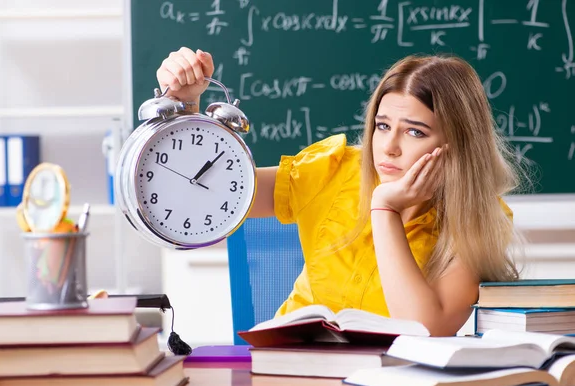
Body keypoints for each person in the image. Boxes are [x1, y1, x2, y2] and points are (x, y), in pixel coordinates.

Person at [156, 47, 524, 336]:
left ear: (457, 144)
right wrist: (186, 106)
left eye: (415, 132)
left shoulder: (477, 218)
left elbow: (426, 329)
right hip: (289, 371)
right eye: (382, 126)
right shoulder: (333, 169)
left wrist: (385, 210)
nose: (389, 147)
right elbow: (206, 190)